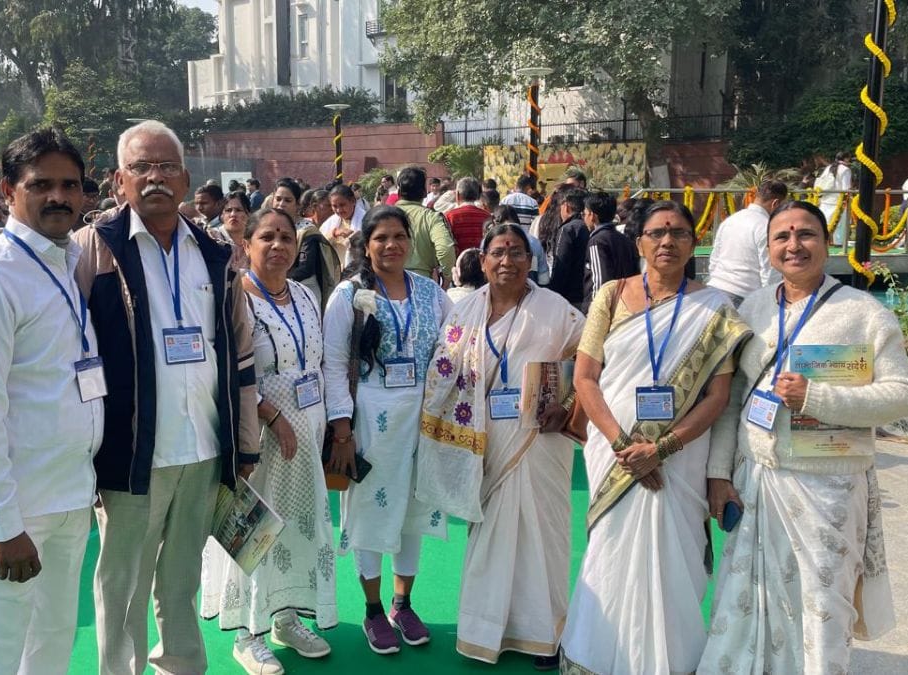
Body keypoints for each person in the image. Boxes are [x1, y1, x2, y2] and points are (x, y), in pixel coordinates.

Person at [699, 201, 908, 673]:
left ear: (827, 242)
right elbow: (733, 399)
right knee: (748, 597)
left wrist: (817, 397)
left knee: (822, 601)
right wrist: (719, 474)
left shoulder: (863, 313)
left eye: (806, 235)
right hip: (757, 478)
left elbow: (904, 397)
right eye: (782, 237)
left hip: (828, 485)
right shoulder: (754, 308)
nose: (793, 245)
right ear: (769, 248)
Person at [72, 120, 259, 675]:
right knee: (122, 583)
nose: (155, 177)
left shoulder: (215, 251)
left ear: (185, 177)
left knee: (180, 580)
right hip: (130, 454)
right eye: (141, 167)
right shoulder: (90, 250)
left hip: (202, 447)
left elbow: (241, 354)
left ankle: (180, 665)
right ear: (118, 180)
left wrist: (243, 444)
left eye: (167, 166)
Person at [0, 127, 104, 674]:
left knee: (51, 645)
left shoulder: (66, 263)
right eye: (42, 184)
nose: (59, 196)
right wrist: (3, 526)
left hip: (68, 497)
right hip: (11, 511)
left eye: (70, 185)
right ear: (9, 190)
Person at [560, 201, 752, 675]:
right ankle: (598, 655)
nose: (667, 241)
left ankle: (672, 660)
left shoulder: (716, 309)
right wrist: (625, 445)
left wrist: (662, 448)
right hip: (614, 452)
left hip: (680, 458)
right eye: (657, 232)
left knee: (674, 556)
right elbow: (585, 378)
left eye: (680, 233)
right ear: (639, 241)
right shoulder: (609, 295)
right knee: (611, 548)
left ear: (694, 242)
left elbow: (717, 396)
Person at [417, 223, 585, 669]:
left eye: (516, 252)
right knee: (489, 535)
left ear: (530, 262)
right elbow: (441, 371)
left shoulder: (557, 309)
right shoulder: (464, 309)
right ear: (483, 259)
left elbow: (586, 359)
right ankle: (483, 629)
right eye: (497, 252)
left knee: (544, 536)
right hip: (482, 439)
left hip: (540, 438)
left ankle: (546, 633)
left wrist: (566, 403)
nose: (506, 260)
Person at [201, 207, 338, 675]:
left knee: (297, 528)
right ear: (248, 244)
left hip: (306, 432)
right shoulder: (235, 296)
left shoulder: (303, 293)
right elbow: (226, 368)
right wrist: (270, 413)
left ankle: (283, 617)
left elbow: (315, 365)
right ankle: (246, 632)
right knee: (255, 527)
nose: (278, 245)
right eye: (268, 237)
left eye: (286, 237)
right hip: (257, 435)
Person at [322, 205, 453, 655]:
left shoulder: (431, 293)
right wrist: (342, 429)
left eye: (399, 236)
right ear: (367, 243)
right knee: (371, 511)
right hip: (370, 418)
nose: (391, 245)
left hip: (422, 418)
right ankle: (374, 610)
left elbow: (456, 345)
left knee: (414, 512)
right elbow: (335, 364)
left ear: (410, 240)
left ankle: (403, 602)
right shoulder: (347, 295)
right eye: (381, 238)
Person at [707, 179, 789, 306]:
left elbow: (714, 259)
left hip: (714, 290)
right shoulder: (766, 226)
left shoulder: (730, 220)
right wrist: (770, 301)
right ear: (775, 204)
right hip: (743, 296)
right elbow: (769, 269)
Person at [393, 166, 457, 281]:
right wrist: (447, 277)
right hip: (422, 283)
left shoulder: (382, 217)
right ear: (424, 193)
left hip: (388, 282)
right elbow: (445, 249)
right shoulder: (431, 217)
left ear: (398, 192)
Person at [582, 191, 637, 311]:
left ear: (592, 216)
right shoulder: (623, 238)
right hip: (626, 304)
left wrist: (595, 310)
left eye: (584, 214)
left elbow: (599, 280)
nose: (584, 218)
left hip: (605, 308)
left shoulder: (596, 241)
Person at [291, 188, 342, 313]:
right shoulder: (306, 231)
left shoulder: (329, 225)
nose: (333, 210)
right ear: (315, 207)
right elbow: (305, 268)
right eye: (328, 206)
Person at [544, 188, 589, 308]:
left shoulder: (567, 229)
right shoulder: (590, 226)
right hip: (588, 294)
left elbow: (560, 265)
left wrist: (553, 294)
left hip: (569, 298)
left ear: (566, 206)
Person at [490, 206, 549, 285]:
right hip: (529, 292)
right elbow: (544, 279)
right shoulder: (534, 242)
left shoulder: (490, 242)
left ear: (495, 222)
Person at [321, 182, 367, 269]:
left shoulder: (365, 220)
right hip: (333, 270)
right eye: (334, 206)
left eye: (342, 205)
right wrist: (334, 234)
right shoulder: (330, 222)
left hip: (357, 269)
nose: (339, 210)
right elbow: (320, 242)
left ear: (353, 201)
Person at [207, 189, 251, 270]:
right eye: (228, 210)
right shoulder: (211, 238)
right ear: (221, 215)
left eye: (238, 210)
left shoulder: (254, 242)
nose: (233, 214)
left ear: (248, 214)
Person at [814, 152, 852, 246]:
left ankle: (823, 241)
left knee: (825, 222)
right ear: (846, 159)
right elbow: (846, 188)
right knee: (839, 223)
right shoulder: (845, 170)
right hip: (838, 201)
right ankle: (838, 243)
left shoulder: (828, 168)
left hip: (825, 199)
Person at [444, 177, 488, 252]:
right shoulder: (487, 216)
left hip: (457, 262)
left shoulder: (449, 216)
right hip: (482, 261)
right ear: (478, 196)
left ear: (457, 195)